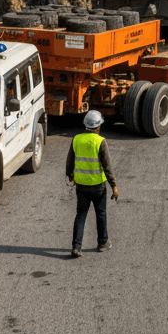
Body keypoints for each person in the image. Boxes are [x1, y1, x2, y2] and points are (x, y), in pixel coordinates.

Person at [66, 110, 120, 258]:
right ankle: (103, 243)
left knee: (81, 215)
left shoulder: (76, 139)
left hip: (81, 186)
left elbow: (70, 161)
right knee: (100, 213)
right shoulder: (100, 141)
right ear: (98, 126)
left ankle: (76, 247)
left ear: (85, 125)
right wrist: (114, 186)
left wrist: (69, 176)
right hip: (98, 187)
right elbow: (107, 167)